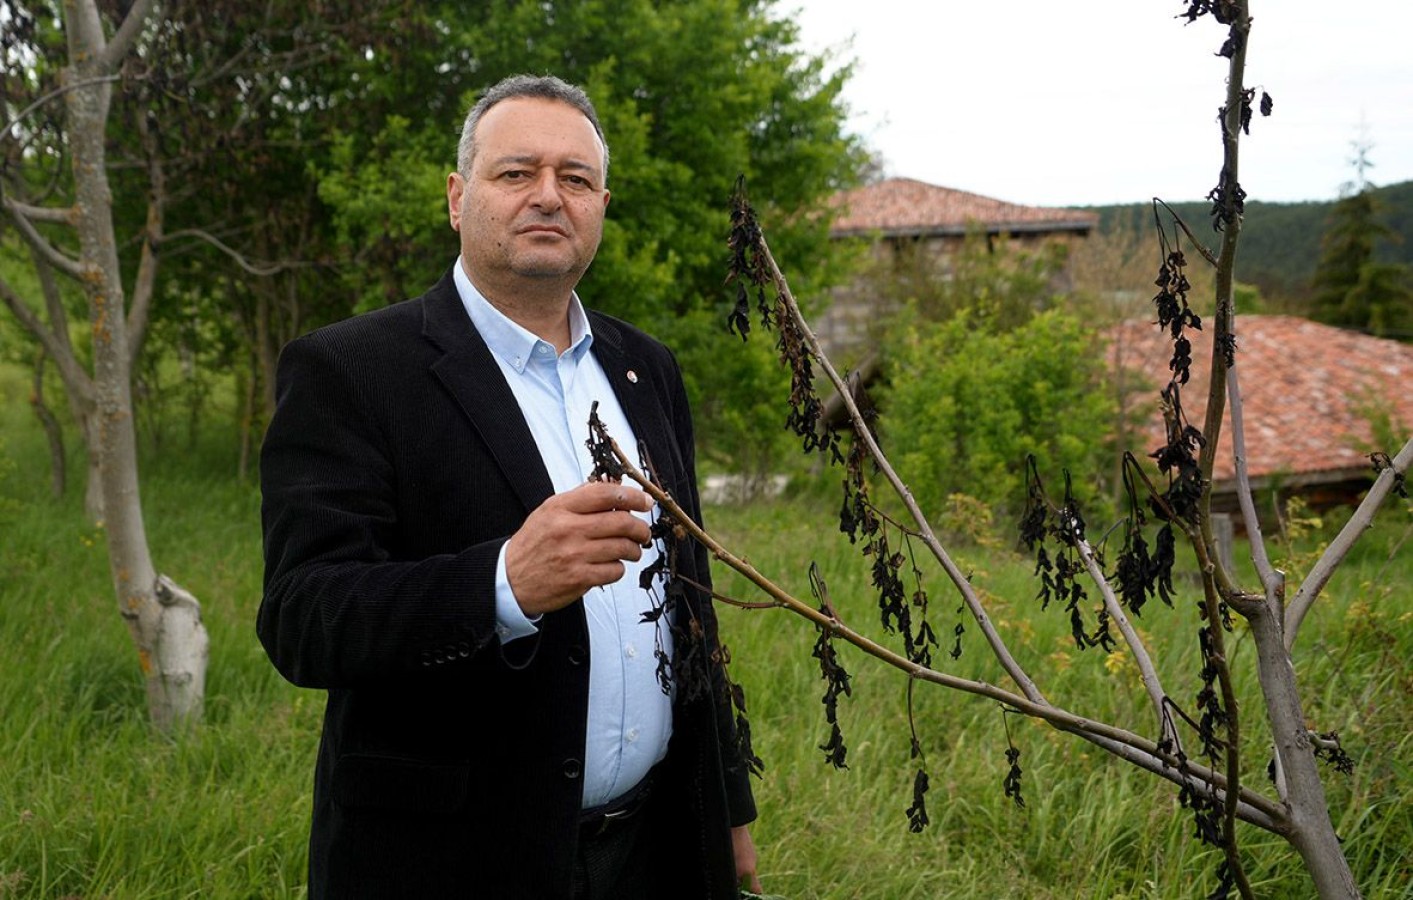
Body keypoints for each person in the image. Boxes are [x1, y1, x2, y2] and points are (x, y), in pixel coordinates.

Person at [257, 74, 761, 899]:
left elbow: (689, 602)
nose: (547, 197)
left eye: (574, 178)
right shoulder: (351, 372)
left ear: (601, 203)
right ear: (458, 198)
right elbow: (303, 616)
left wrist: (726, 803)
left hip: (654, 845)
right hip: (449, 860)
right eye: (515, 172)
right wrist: (503, 583)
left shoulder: (645, 370)